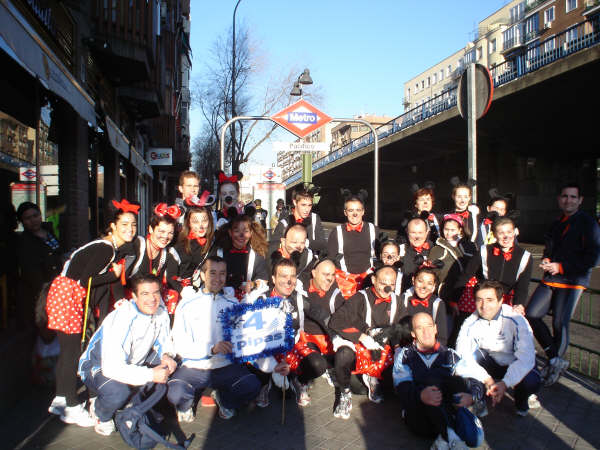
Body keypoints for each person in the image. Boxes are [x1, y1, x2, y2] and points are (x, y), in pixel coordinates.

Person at [46, 199, 138, 426]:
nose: (130, 229)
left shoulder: (107, 247)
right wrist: (113, 275)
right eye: (124, 224)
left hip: (63, 295)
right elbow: (84, 280)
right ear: (113, 226)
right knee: (71, 354)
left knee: (67, 352)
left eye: (133, 224)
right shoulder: (105, 248)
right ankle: (71, 406)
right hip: (68, 296)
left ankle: (60, 399)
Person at [78, 274, 176, 436]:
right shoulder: (122, 318)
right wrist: (151, 374)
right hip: (98, 366)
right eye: (145, 294)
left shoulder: (160, 310)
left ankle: (132, 402)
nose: (152, 299)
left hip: (132, 362)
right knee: (118, 393)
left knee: (168, 365)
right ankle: (100, 412)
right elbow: (112, 368)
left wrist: (166, 355)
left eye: (156, 292)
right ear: (134, 296)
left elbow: (164, 339)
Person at [167, 256, 262, 421]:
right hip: (194, 367)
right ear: (202, 276)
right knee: (175, 393)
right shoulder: (187, 304)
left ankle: (225, 400)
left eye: (222, 273)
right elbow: (180, 345)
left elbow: (242, 337)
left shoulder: (233, 304)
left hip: (225, 365)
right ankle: (185, 405)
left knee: (252, 386)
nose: (218, 278)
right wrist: (211, 349)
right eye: (212, 273)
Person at [526, 183, 600, 386]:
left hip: (571, 281)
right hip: (551, 278)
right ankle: (555, 360)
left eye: (573, 197)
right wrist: (547, 260)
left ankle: (553, 368)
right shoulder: (556, 223)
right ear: (559, 199)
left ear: (580, 200)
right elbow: (549, 249)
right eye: (565, 196)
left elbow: (593, 258)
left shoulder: (588, 223)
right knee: (531, 314)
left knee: (560, 324)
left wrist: (562, 267)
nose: (569, 200)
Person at [393, 312, 481, 450]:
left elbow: (474, 378)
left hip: (446, 411)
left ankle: (446, 438)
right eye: (420, 328)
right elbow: (401, 388)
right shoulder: (405, 355)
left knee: (458, 381)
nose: (426, 332)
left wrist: (472, 397)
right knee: (431, 381)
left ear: (435, 328)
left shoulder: (450, 354)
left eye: (429, 326)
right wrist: (421, 395)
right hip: (420, 417)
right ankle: (451, 437)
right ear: (413, 334)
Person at [247, 258, 328, 408]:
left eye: (292, 276)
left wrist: (342, 334)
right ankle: (264, 384)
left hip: (291, 349)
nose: (289, 281)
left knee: (318, 364)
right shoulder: (261, 300)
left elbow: (323, 316)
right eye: (283, 276)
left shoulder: (299, 299)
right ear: (273, 279)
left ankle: (299, 381)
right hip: (267, 349)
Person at [454, 280, 541, 417]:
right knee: (464, 365)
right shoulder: (470, 322)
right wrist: (487, 379)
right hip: (491, 362)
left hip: (514, 361)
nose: (484, 306)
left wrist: (505, 383)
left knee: (531, 380)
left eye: (490, 300)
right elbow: (462, 355)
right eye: (479, 300)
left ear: (500, 301)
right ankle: (478, 397)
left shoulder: (516, 319)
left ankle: (522, 399)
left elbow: (526, 357)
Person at [329, 265, 400, 419]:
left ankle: (373, 380)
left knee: (394, 385)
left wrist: (396, 344)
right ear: (373, 280)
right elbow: (336, 321)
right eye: (383, 283)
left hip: (383, 354)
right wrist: (362, 337)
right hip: (359, 349)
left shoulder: (397, 300)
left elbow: (402, 328)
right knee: (343, 355)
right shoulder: (360, 297)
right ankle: (345, 393)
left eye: (392, 284)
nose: (387, 288)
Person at [456, 217, 532, 323]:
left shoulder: (525, 256)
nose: (506, 237)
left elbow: (522, 286)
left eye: (509, 232)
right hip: (484, 298)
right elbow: (466, 275)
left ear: (514, 232)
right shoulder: (484, 251)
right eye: (501, 233)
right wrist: (454, 299)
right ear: (494, 235)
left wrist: (519, 304)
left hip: (507, 300)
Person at [123, 204, 182, 313]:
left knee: (172, 296)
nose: (165, 237)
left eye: (170, 233)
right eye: (161, 231)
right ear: (151, 229)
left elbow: (173, 281)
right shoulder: (137, 245)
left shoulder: (169, 253)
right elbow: (121, 279)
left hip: (152, 300)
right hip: (130, 298)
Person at [15, 202, 63, 329]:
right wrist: (45, 293)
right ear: (22, 222)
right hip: (39, 290)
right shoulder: (24, 242)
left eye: (35, 216)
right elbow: (31, 272)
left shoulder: (49, 231)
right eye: (28, 218)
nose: (33, 220)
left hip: (58, 284)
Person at [328, 189, 378, 299]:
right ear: (345, 212)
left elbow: (381, 255)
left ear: (363, 211)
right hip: (344, 282)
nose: (355, 214)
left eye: (358, 210)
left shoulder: (373, 230)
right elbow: (330, 260)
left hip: (367, 280)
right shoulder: (337, 232)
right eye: (351, 210)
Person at [428, 214, 476, 312]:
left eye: (452, 230)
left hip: (467, 291)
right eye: (446, 229)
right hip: (445, 291)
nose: (449, 233)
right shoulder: (437, 248)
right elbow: (432, 272)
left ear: (460, 230)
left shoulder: (470, 246)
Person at [214, 214, 269, 300]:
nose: (241, 235)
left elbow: (263, 280)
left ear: (251, 233)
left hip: (247, 301)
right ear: (230, 232)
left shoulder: (256, 255)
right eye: (237, 231)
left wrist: (252, 285)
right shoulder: (219, 253)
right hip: (222, 300)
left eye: (246, 231)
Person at [270, 187, 327, 256]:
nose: (307, 209)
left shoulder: (314, 219)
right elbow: (273, 247)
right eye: (303, 205)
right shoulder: (284, 223)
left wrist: (304, 242)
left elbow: (323, 244)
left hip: (310, 260)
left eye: (309, 205)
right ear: (295, 202)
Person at [399, 268, 449, 346]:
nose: (424, 287)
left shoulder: (437, 304)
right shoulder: (403, 299)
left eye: (429, 283)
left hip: (429, 349)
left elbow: (442, 338)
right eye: (420, 281)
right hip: (404, 348)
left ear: (434, 285)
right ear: (413, 280)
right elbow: (396, 330)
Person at [172, 206, 214, 290]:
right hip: (183, 292)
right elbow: (171, 277)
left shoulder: (214, 245)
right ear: (188, 223)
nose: (201, 226)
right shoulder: (179, 246)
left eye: (204, 221)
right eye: (195, 222)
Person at [270, 224, 314, 288]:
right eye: (294, 242)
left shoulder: (307, 256)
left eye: (302, 243)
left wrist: (298, 282)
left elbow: (307, 273)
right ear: (283, 241)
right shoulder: (269, 252)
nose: (298, 246)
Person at [398, 218, 434, 293]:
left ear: (427, 232)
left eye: (420, 233)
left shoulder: (435, 251)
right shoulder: (399, 251)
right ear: (407, 232)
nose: (417, 237)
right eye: (413, 233)